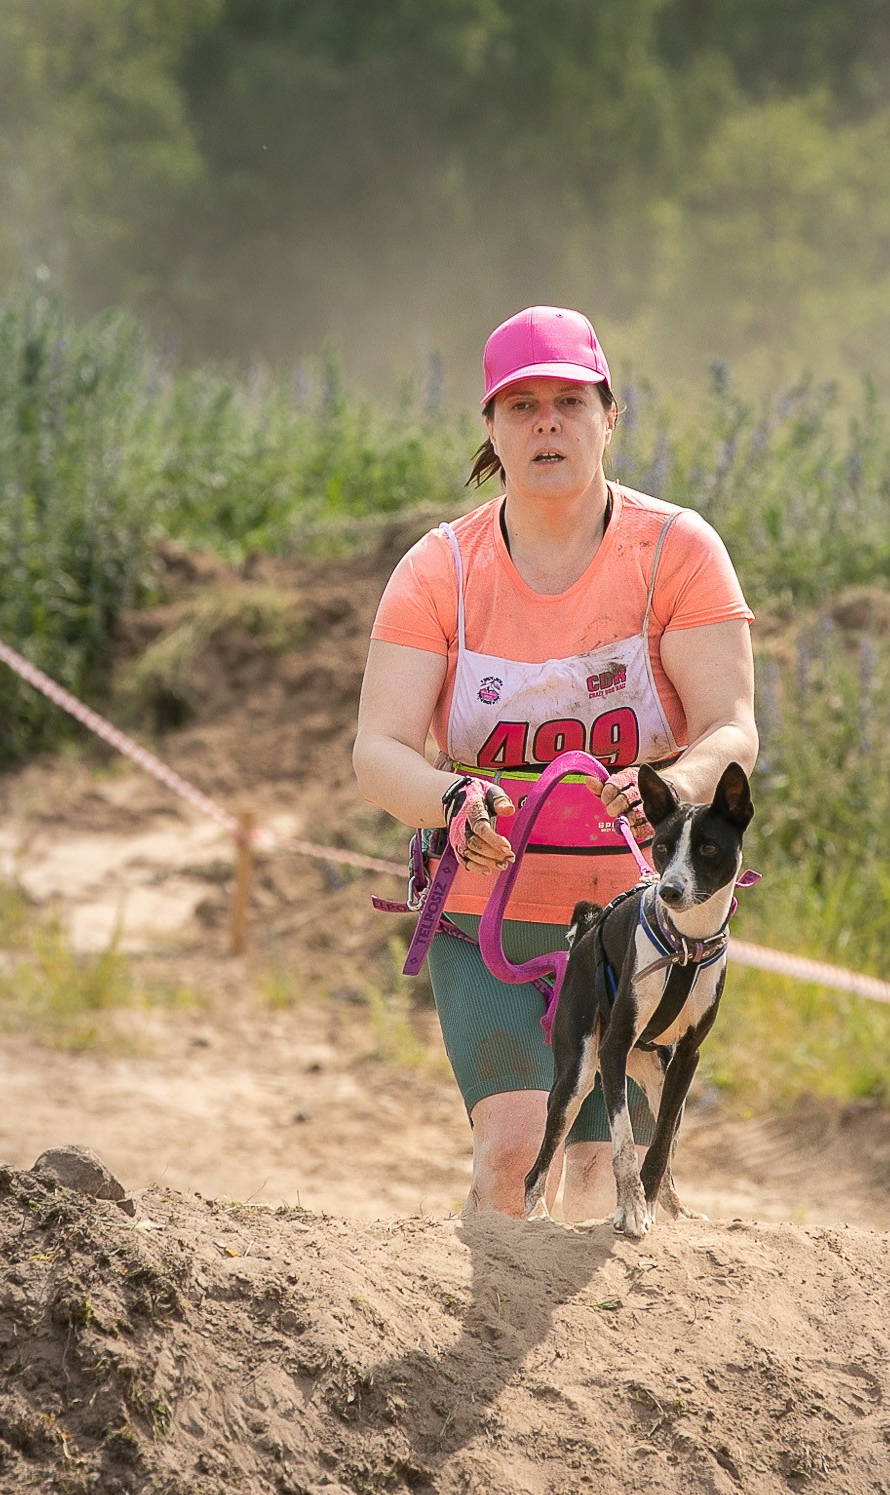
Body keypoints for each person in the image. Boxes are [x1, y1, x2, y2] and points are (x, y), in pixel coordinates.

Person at [354, 306, 758, 1221]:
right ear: (490, 429)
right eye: (522, 404)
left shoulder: (679, 552)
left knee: (599, 1175)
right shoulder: (438, 572)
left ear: (609, 417)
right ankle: (487, 1349)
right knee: (509, 1154)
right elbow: (376, 752)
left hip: (643, 922)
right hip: (484, 915)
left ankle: (595, 1364)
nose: (547, 424)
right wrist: (452, 796)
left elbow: (733, 727)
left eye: (569, 402)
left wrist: (681, 785)